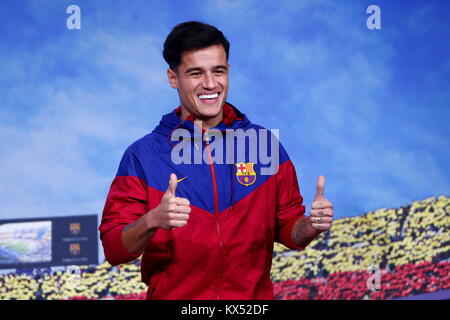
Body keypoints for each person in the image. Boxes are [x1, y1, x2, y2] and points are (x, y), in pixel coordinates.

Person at [99, 21, 334, 300]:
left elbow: (289, 230)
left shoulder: (264, 144)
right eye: (196, 73)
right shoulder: (143, 155)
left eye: (218, 71)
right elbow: (114, 248)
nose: (210, 84)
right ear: (173, 78)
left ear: (228, 72)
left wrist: (310, 226)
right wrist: (153, 219)